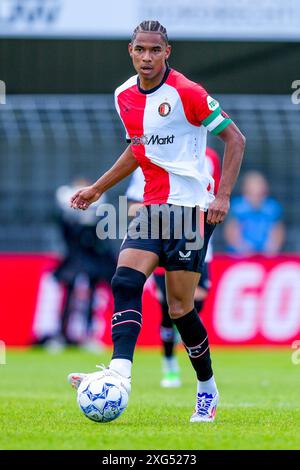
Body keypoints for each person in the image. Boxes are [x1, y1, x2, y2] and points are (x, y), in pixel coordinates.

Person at [68, 20, 245, 423]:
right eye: (140, 50)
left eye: (154, 50)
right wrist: (98, 188)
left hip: (191, 209)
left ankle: (206, 387)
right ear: (130, 50)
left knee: (180, 308)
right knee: (125, 280)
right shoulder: (124, 96)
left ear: (168, 53)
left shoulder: (188, 93)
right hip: (151, 208)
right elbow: (138, 147)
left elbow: (235, 138)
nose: (147, 57)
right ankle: (120, 374)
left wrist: (223, 195)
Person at [125, 147, 221, 388]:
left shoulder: (208, 157)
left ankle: (203, 377)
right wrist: (162, 215)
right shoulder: (151, 154)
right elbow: (133, 206)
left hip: (194, 238)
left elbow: (214, 199)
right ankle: (169, 363)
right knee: (170, 307)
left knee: (194, 303)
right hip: (159, 239)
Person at [45, 178, 116, 350]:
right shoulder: (66, 216)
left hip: (91, 261)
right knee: (68, 296)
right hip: (73, 260)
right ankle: (61, 335)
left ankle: (89, 335)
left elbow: (102, 240)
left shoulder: (99, 215)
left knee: (91, 297)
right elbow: (61, 230)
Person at [224, 171, 285, 255]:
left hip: (267, 254)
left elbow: (278, 231)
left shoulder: (272, 208)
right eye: (252, 191)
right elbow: (231, 231)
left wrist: (271, 249)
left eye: (259, 191)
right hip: (240, 255)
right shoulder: (237, 207)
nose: (256, 195)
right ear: (245, 190)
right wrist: (243, 248)